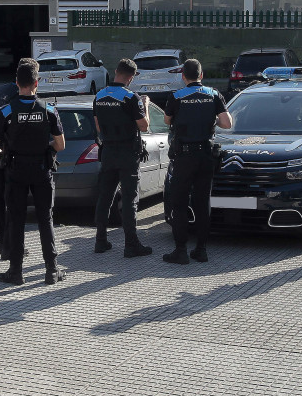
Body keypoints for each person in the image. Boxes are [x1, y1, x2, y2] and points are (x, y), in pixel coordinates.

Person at [0, 63, 67, 286]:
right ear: (36, 83)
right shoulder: (49, 110)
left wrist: (6, 154)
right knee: (45, 219)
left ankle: (16, 271)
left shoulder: (7, 110)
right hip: (42, 171)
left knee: (16, 219)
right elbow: (60, 145)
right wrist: (44, 148)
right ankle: (51, 270)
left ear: (16, 83)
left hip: (16, 171)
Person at [162, 59, 232, 264]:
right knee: (202, 203)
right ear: (202, 75)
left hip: (184, 156)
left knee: (180, 203)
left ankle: (180, 251)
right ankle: (201, 250)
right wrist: (212, 118)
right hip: (206, 155)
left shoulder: (176, 96)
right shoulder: (214, 94)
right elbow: (227, 123)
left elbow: (167, 120)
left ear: (183, 76)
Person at [91, 58, 153, 258]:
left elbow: (98, 126)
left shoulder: (99, 96)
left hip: (108, 151)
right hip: (127, 152)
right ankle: (131, 244)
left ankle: (100, 241)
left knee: (105, 197)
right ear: (131, 77)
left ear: (116, 71)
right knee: (129, 198)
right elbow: (144, 126)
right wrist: (146, 105)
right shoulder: (131, 97)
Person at [0, 57, 39, 258]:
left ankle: (2, 242)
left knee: (0, 197)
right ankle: (13, 245)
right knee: (15, 201)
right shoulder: (21, 96)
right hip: (11, 153)